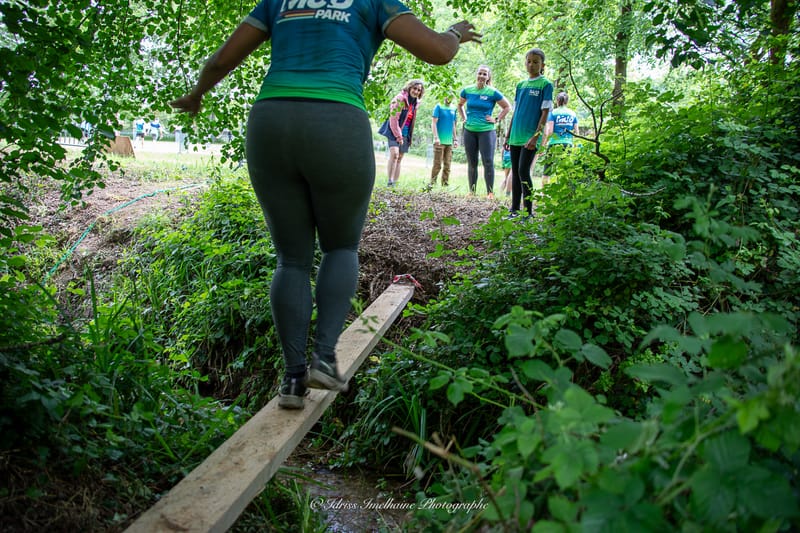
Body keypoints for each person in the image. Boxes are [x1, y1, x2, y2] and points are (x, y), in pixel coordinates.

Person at [170, 1, 481, 409]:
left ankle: (292, 379)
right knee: (340, 247)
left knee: (291, 260)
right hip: (336, 121)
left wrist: (196, 95)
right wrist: (455, 32)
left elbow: (221, 60)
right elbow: (438, 51)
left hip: (270, 124)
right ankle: (323, 358)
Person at [504, 48, 553, 217]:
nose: (531, 65)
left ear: (542, 65)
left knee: (523, 171)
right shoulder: (520, 85)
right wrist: (508, 135)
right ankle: (514, 210)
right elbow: (515, 111)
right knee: (515, 172)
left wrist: (536, 136)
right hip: (515, 135)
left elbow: (545, 113)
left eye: (536, 62)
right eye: (529, 61)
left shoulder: (545, 85)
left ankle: (528, 212)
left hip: (530, 136)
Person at [458, 65, 510, 199]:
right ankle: (472, 191)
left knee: (488, 161)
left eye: (485, 74)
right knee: (472, 162)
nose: (482, 76)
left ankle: (490, 193)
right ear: (476, 74)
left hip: (486, 131)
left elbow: (507, 106)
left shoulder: (492, 92)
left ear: (488, 77)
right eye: (480, 73)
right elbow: (460, 105)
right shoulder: (467, 90)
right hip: (469, 131)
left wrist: (496, 119)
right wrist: (464, 118)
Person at [384, 79, 424, 187]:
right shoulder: (400, 98)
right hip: (394, 129)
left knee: (400, 157)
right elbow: (393, 119)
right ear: (409, 87)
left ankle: (395, 183)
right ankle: (389, 181)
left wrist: (406, 136)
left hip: (406, 132)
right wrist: (398, 135)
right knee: (394, 154)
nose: (416, 91)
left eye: (419, 90)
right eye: (414, 88)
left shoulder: (415, 103)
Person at [541, 91, 579, 185]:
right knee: (566, 170)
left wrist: (544, 144)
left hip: (554, 144)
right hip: (568, 144)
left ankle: (544, 191)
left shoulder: (553, 113)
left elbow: (550, 131)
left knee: (547, 170)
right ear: (567, 101)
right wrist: (576, 146)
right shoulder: (573, 114)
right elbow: (577, 132)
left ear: (557, 101)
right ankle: (566, 191)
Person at [429, 94, 458, 187]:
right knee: (437, 164)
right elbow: (434, 123)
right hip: (439, 141)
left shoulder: (454, 108)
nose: (449, 98)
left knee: (447, 165)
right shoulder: (439, 106)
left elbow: (453, 124)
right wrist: (436, 137)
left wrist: (455, 139)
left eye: (451, 96)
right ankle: (432, 183)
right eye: (447, 96)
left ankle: (445, 184)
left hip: (449, 142)